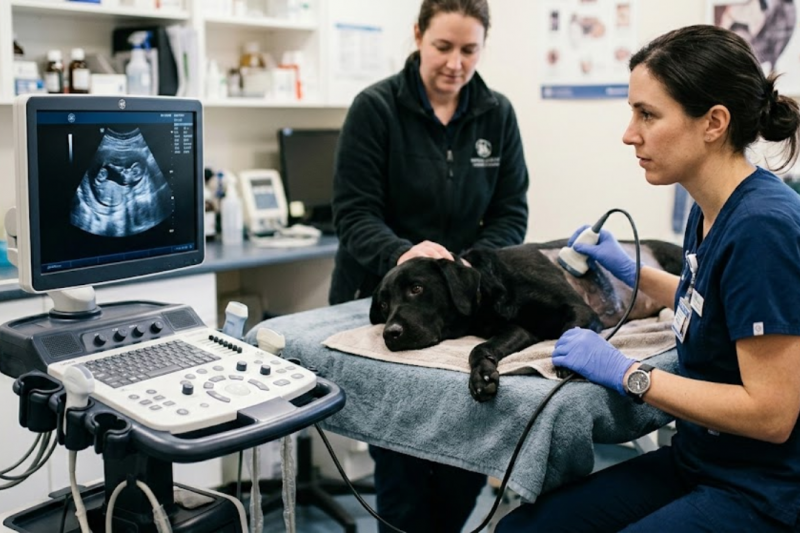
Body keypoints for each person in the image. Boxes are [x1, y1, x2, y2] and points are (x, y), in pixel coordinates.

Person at [498, 24, 800, 532]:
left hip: (763, 490)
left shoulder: (762, 228)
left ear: (714, 122)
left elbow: (771, 414)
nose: (629, 133)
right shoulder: (711, 207)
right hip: (701, 461)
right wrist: (630, 271)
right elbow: (710, 300)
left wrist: (630, 375)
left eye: (647, 114)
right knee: (523, 529)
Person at [330, 0, 529, 531]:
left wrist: (468, 268)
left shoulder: (497, 113)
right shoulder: (375, 109)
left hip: (459, 305)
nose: (455, 63)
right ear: (417, 35)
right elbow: (354, 214)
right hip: (383, 297)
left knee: (463, 455)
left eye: (469, 49)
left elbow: (511, 212)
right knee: (402, 471)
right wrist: (405, 255)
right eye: (443, 47)